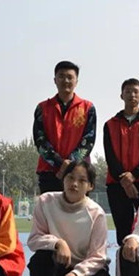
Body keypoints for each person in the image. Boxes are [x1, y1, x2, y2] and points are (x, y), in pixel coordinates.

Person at [27, 161, 110, 276]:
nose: (74, 184)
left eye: (82, 180)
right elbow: (34, 240)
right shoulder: (45, 202)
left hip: (89, 271)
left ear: (90, 186)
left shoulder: (96, 213)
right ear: (63, 179)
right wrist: (58, 243)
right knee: (38, 261)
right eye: (70, 178)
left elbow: (98, 257)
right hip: (60, 263)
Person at [104, 78, 139, 245]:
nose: (132, 95)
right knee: (123, 229)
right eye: (128, 91)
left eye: (136, 92)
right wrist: (124, 179)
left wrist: (134, 175)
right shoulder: (110, 124)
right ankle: (125, 260)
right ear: (121, 95)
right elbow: (110, 155)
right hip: (117, 183)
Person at [33, 60, 96, 194]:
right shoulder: (42, 108)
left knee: (78, 207)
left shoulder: (88, 108)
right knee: (50, 207)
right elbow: (40, 141)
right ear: (55, 80)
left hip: (79, 173)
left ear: (76, 81)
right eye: (61, 76)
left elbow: (88, 140)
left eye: (70, 77)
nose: (65, 80)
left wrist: (70, 164)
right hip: (50, 172)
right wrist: (60, 163)